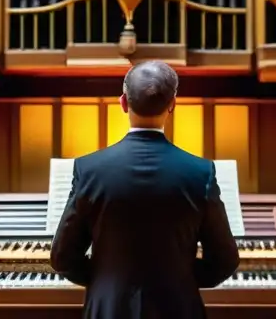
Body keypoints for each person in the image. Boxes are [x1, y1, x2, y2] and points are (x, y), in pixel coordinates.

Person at [50, 60, 240, 318]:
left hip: (108, 309)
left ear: (123, 103)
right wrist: (180, 276)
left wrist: (106, 277)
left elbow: (62, 258)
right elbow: (225, 261)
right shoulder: (201, 173)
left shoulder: (89, 170)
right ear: (172, 105)